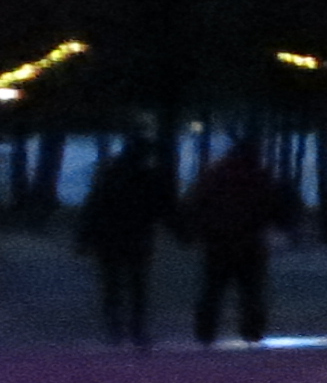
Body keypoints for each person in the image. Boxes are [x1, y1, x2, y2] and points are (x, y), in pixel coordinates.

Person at [183, 136, 280, 347]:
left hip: (218, 241)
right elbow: (273, 205)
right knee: (251, 290)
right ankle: (252, 332)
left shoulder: (215, 176)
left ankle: (206, 332)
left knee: (213, 289)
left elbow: (196, 204)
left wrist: (198, 231)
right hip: (250, 241)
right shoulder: (260, 177)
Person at [75, 135, 171, 348]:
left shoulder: (111, 174)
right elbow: (161, 207)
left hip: (109, 238)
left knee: (112, 285)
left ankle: (114, 329)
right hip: (137, 237)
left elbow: (94, 206)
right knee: (137, 285)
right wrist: (180, 230)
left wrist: (84, 238)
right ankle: (137, 330)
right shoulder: (149, 177)